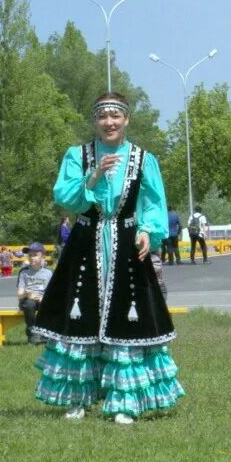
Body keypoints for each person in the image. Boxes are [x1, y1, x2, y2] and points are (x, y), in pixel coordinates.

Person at [32, 92, 184, 425]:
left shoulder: (144, 159)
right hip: (85, 244)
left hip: (128, 247)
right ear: (95, 121)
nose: (109, 123)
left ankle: (124, 403)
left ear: (126, 119)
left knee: (127, 321)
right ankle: (77, 398)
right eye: (103, 117)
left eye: (116, 116)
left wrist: (148, 231)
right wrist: (95, 175)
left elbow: (154, 204)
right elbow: (66, 198)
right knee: (79, 319)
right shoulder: (78, 156)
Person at [16, 242, 52, 344]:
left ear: (43, 257)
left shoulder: (48, 273)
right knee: (29, 304)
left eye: (35, 255)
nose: (32, 258)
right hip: (27, 300)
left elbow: (52, 293)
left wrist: (44, 298)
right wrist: (25, 295)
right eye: (30, 255)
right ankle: (32, 333)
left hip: (42, 300)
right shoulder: (24, 272)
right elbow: (19, 294)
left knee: (48, 304)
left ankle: (45, 333)